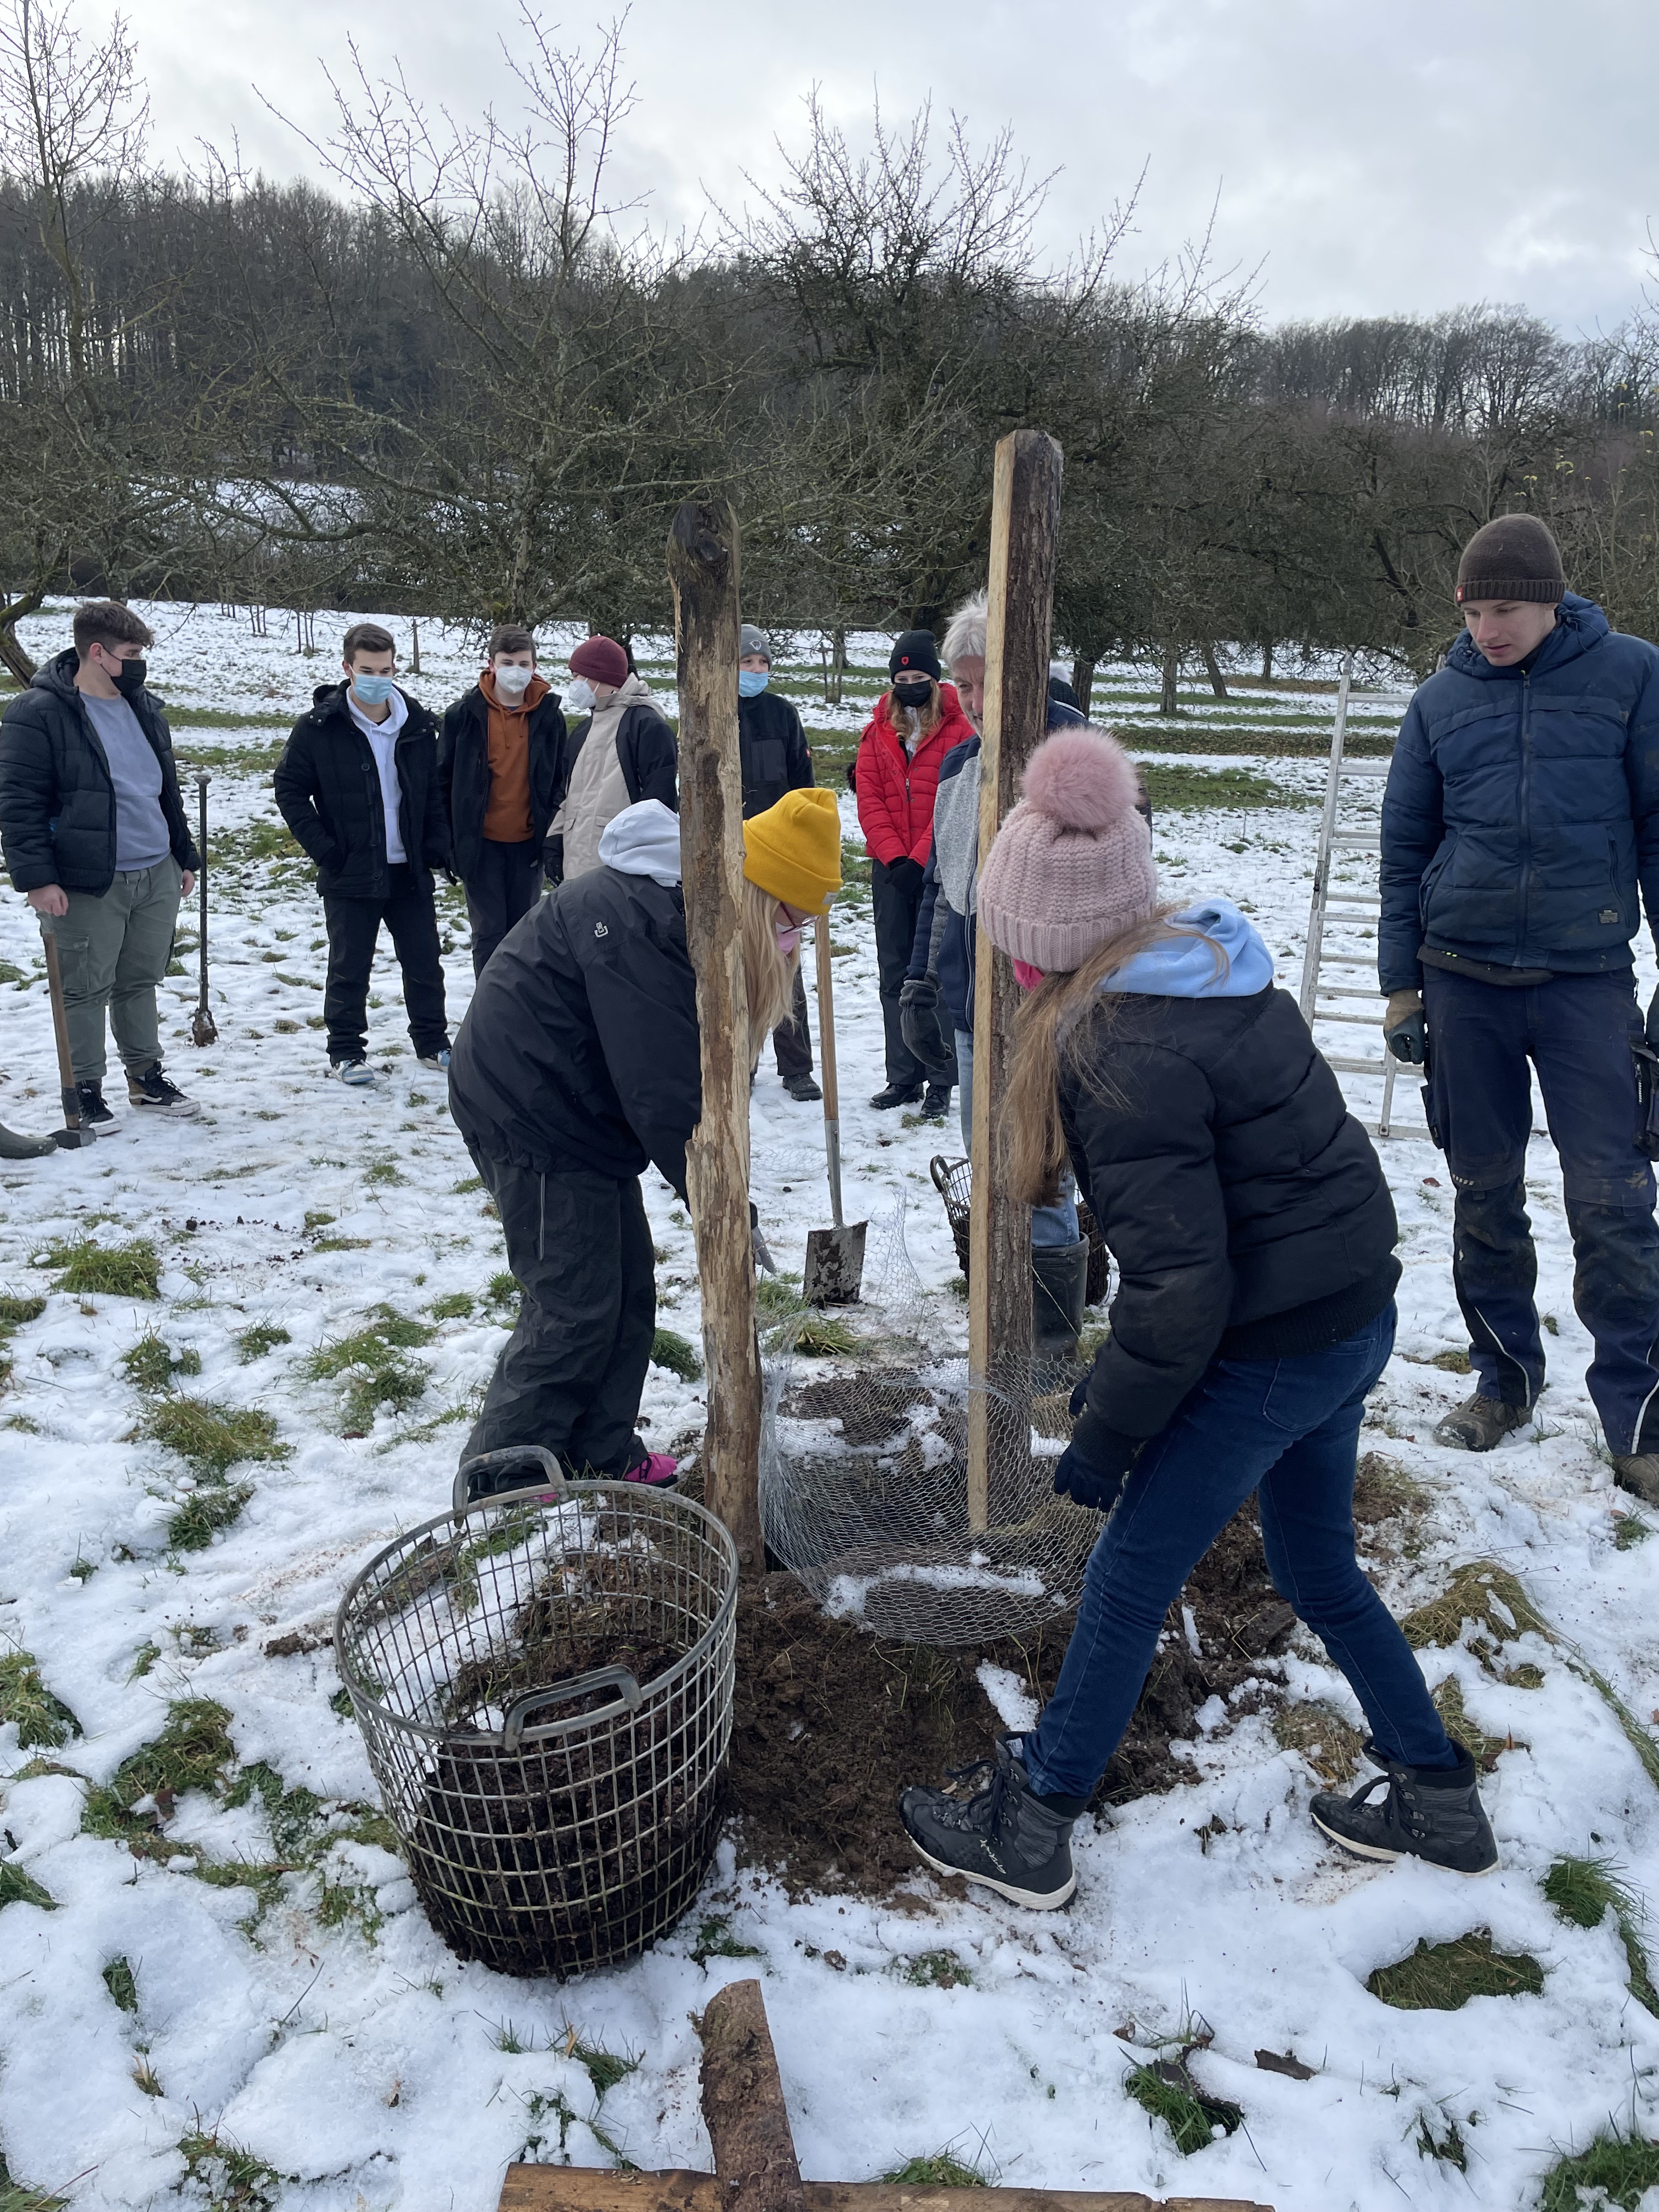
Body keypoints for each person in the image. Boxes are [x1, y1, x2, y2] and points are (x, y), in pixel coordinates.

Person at [900, 726, 1496, 1909]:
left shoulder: (1119, 1050)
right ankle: (1437, 1794)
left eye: (1011, 941)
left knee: (1128, 1577)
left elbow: (1183, 1294)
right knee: (1318, 1564)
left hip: (1270, 1350)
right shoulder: (1213, 970)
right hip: (1347, 1317)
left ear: (1046, 943)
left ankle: (1037, 1827)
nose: (1006, 964)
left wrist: (1110, 1434)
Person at [447, 786, 843, 1492]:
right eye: (792, 921)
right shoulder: (646, 926)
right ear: (760, 894)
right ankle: (501, 1476)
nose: (794, 939)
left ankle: (600, 1449)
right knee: (572, 1301)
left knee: (626, 1290)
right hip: (531, 1111)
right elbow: (665, 1090)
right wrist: (720, 1204)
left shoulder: (683, 911)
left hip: (579, 1110)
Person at [1380, 515, 1659, 1506]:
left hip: (1585, 979)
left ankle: (1636, 1420)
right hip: (1461, 979)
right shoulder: (1437, 702)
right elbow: (1402, 852)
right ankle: (1502, 1382)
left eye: (1502, 607)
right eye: (1471, 609)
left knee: (1613, 1200)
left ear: (1548, 597)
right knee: (1481, 1191)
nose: (1484, 627)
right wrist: (1398, 990)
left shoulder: (1629, 676)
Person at [899, 590, 1090, 1353]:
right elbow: (942, 889)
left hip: (1053, 1009)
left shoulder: (1078, 759)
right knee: (991, 1165)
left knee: (1042, 1168)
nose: (969, 700)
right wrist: (922, 980)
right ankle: (1004, 1314)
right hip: (975, 1009)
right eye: (962, 685)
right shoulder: (959, 765)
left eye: (981, 683)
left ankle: (1049, 1348)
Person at [0, 599, 200, 1124]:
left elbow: (164, 790)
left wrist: (182, 855)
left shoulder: (145, 707)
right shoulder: (38, 713)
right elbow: (18, 802)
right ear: (96, 652)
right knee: (84, 986)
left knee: (140, 979)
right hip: (86, 878)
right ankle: (84, 1088)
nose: (140, 663)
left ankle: (146, 1076)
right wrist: (38, 878)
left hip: (154, 870)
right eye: (131, 653)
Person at [273, 621, 452, 1085]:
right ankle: (347, 1052)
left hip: (408, 869)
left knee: (425, 961)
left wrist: (435, 844)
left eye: (387, 669)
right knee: (350, 965)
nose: (378, 677)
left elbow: (432, 791)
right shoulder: (321, 728)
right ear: (348, 668)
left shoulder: (416, 725)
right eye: (368, 669)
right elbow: (290, 789)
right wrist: (326, 850)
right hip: (351, 869)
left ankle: (433, 1043)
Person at [853, 630, 971, 1115]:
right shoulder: (878, 728)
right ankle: (902, 1076)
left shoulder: (960, 729)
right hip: (890, 868)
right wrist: (892, 856)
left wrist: (921, 858)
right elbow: (869, 796)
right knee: (893, 973)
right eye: (901, 679)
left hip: (939, 865)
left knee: (933, 976)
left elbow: (955, 800)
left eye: (919, 678)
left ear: (935, 679)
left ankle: (942, 1077)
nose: (910, 686)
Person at [437, 624, 567, 974]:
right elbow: (443, 780)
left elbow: (559, 781)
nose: (516, 671)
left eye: (524, 664)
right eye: (508, 662)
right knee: (489, 934)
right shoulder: (463, 716)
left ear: (535, 666)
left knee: (525, 933)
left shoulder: (549, 717)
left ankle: (521, 1007)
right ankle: (489, 1011)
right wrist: (449, 842)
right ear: (491, 664)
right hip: (481, 845)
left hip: (528, 845)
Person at [740, 623, 820, 1103]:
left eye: (762, 663)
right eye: (747, 663)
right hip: (733, 857)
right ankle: (742, 1058)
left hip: (778, 857)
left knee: (785, 959)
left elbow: (803, 789)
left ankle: (796, 1067)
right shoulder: (714, 712)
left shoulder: (783, 716)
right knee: (740, 962)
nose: (755, 671)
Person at [545, 635, 676, 884]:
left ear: (601, 676)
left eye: (579, 676)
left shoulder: (646, 727)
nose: (575, 684)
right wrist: (554, 840)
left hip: (620, 872)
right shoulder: (583, 730)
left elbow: (660, 803)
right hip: (576, 867)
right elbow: (565, 795)